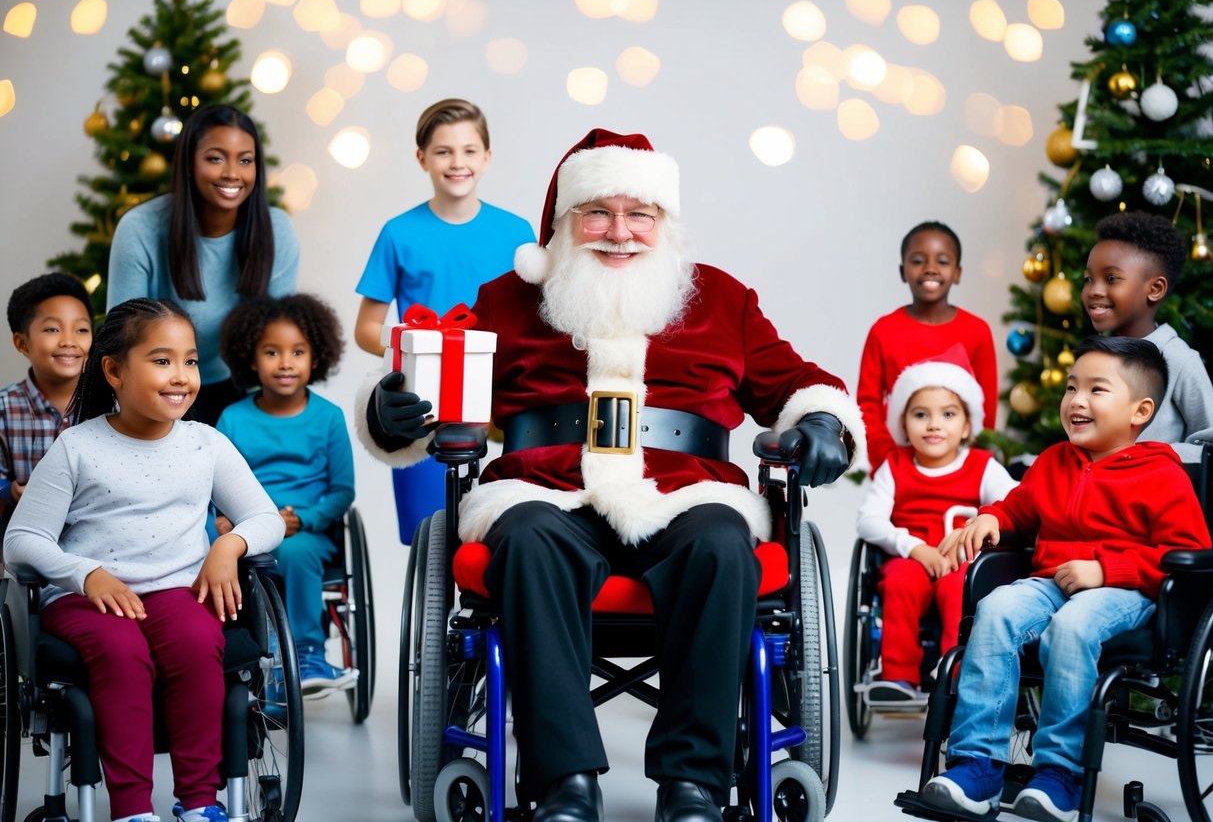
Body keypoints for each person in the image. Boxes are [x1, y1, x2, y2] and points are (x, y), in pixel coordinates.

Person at [357, 129, 866, 822]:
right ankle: (563, 783)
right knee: (529, 537)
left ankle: (694, 786)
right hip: (545, 491)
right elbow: (435, 393)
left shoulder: (720, 299)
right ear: (564, 222)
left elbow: (800, 383)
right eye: (598, 212)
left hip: (687, 494)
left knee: (721, 540)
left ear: (665, 224)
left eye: (640, 214)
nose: (619, 232)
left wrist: (821, 422)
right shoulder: (508, 299)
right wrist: (392, 409)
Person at [3, 298, 284, 822]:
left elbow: (263, 519)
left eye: (191, 361)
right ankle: (132, 810)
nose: (181, 376)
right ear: (113, 370)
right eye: (162, 361)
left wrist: (229, 545)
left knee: (200, 640)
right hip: (88, 598)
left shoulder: (207, 445)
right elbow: (21, 539)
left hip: (176, 589)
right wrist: (85, 573)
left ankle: (199, 802)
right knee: (120, 649)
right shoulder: (77, 448)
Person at [918, 336, 1210, 822]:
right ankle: (978, 765)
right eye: (1072, 387)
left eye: (1097, 390)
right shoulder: (1054, 462)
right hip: (1050, 581)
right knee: (995, 611)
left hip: (1127, 589)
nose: (1076, 400)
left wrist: (1106, 570)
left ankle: (1059, 773)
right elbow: (1018, 509)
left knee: (1073, 627)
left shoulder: (1162, 474)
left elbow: (1191, 555)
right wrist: (993, 518)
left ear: (1140, 411)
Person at [352, 97, 534, 545]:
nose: (458, 163)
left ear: (487, 158)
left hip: (502, 394)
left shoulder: (517, 233)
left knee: (506, 529)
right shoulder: (399, 232)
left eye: (469, 150)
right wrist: (425, 351)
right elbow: (365, 329)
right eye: (443, 151)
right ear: (422, 158)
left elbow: (535, 323)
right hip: (429, 403)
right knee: (431, 532)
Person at [107, 103, 299, 426]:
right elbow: (121, 341)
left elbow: (277, 340)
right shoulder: (140, 229)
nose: (232, 173)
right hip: (159, 391)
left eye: (246, 160)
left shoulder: (277, 230)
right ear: (190, 163)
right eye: (215, 158)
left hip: (243, 393)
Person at [856, 345, 1016, 704]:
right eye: (920, 414)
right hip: (913, 558)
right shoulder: (895, 467)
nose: (933, 424)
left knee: (959, 588)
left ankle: (955, 675)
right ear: (903, 424)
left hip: (964, 561)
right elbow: (868, 521)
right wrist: (914, 547)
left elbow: (1015, 503)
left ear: (966, 426)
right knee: (898, 581)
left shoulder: (982, 466)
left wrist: (985, 523)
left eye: (947, 414)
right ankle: (898, 677)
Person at [216, 293, 356, 697]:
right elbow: (211, 483)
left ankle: (308, 654)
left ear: (317, 356)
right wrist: (224, 517)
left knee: (293, 554)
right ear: (251, 358)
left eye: (298, 351)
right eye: (272, 352)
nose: (285, 363)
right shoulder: (233, 418)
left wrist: (304, 520)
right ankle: (248, 663)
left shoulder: (328, 417)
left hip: (304, 533)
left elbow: (342, 491)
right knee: (211, 552)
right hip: (245, 529)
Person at [856, 221, 998, 474]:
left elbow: (985, 407)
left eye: (942, 262)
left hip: (961, 466)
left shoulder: (977, 331)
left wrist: (972, 462)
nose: (930, 269)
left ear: (957, 272)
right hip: (896, 464)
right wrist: (889, 460)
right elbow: (868, 405)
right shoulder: (884, 330)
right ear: (903, 271)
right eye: (918, 261)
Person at [1082, 210, 1213, 463]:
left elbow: (1210, 443)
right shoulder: (1094, 358)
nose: (1094, 290)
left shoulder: (1179, 359)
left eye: (1111, 278)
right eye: (1089, 279)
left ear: (1155, 289)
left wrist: (1153, 455)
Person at [1, 273, 93, 517]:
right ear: (22, 343)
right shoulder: (4, 409)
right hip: (23, 531)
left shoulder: (113, 404)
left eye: (82, 330)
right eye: (53, 329)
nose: (69, 341)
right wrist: (8, 491)